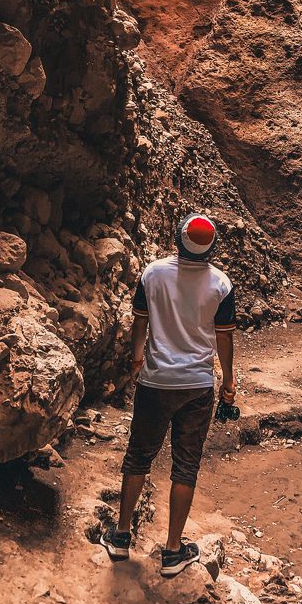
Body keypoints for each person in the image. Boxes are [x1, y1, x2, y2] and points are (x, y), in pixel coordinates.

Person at [101, 212, 236, 576]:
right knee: (186, 464)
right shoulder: (221, 284)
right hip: (196, 386)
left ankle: (120, 536)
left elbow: (140, 321)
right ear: (212, 247)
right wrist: (228, 381)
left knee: (138, 456)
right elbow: (223, 336)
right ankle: (173, 552)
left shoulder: (153, 273)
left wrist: (135, 359)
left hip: (156, 381)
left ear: (178, 239)